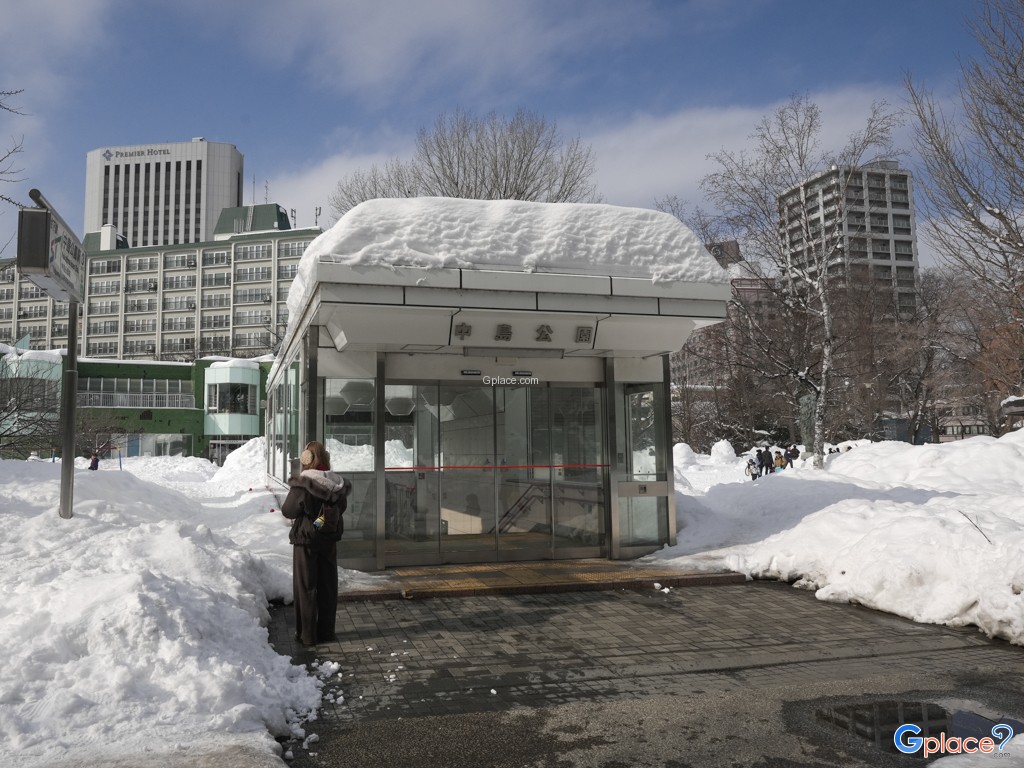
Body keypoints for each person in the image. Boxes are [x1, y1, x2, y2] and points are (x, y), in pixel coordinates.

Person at [281, 440, 351, 647]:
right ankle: (327, 632)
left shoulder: (304, 484)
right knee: (328, 586)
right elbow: (341, 509)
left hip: (306, 540)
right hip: (328, 538)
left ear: (306, 459)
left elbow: (288, 510)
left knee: (306, 587)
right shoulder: (337, 484)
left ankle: (308, 635)